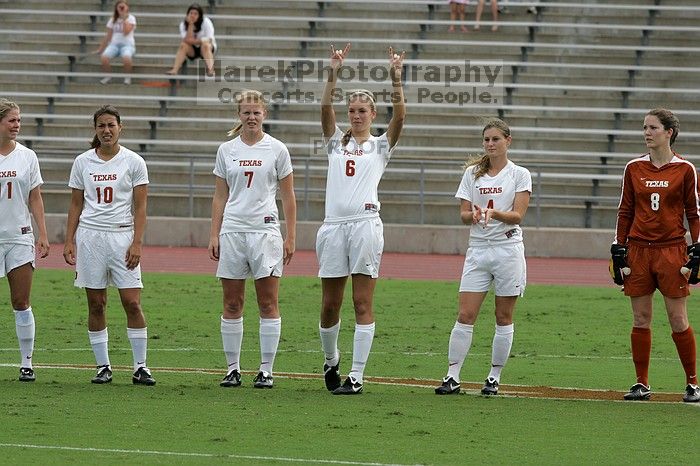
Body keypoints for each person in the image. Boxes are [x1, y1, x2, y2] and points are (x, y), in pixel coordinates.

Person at [317, 43, 406, 395]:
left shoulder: (382, 145)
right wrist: (334, 71)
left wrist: (396, 78)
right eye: (352, 110)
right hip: (333, 228)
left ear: (372, 114)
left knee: (362, 302)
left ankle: (356, 376)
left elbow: (400, 117)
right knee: (329, 305)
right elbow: (325, 107)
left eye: (362, 111)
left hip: (366, 226)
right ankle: (331, 360)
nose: (356, 116)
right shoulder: (334, 143)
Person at [435, 118, 531, 396]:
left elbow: (518, 216)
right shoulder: (472, 174)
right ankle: (452, 375)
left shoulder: (519, 174)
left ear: (507, 141)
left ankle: (494, 377)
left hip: (507, 250)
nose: (490, 144)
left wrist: (494, 213)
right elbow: (464, 215)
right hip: (478, 250)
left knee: (504, 316)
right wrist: (474, 215)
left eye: (495, 139)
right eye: (486, 139)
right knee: (465, 314)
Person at [209, 90, 297, 389]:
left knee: (268, 302)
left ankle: (266, 370)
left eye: (256, 112)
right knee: (232, 303)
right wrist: (214, 233)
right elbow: (220, 195)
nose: (251, 117)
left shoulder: (277, 149)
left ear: (265, 115)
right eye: (246, 112)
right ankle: (232, 369)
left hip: (265, 232)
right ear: (239, 115)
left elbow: (288, 195)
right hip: (233, 231)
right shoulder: (226, 150)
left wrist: (290, 235)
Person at [611, 108, 700, 403]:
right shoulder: (633, 167)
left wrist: (697, 247)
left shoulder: (685, 169)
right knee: (641, 318)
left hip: (672, 251)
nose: (647, 132)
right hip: (638, 251)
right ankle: (641, 383)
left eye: (652, 128)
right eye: (644, 127)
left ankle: (692, 384)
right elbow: (625, 210)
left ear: (668, 132)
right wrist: (618, 246)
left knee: (678, 319)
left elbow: (693, 212)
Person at [63, 105, 155, 386]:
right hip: (91, 237)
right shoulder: (82, 162)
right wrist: (69, 240)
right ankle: (103, 366)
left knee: (132, 302)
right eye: (101, 126)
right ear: (95, 129)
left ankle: (141, 366)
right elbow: (76, 204)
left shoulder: (134, 161)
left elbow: (140, 208)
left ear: (120, 127)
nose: (106, 130)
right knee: (96, 304)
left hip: (122, 237)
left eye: (111, 125)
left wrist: (137, 242)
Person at [0, 98, 50, 382]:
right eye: (12, 120)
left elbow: (35, 197)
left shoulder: (27, 156)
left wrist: (42, 233)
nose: (17, 125)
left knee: (21, 301)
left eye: (19, 120)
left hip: (19, 237)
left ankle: (27, 363)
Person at [166, 3, 217, 77]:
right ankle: (174, 70)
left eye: (195, 14)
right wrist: (190, 24)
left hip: (206, 48)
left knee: (205, 45)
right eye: (191, 13)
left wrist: (195, 41)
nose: (193, 16)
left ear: (199, 15)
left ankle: (211, 70)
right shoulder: (183, 24)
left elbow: (209, 39)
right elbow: (186, 40)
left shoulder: (206, 22)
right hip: (192, 49)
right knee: (183, 45)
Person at [94, 0, 136, 85]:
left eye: (123, 6)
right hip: (114, 45)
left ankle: (127, 77)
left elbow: (126, 32)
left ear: (127, 7)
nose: (121, 8)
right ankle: (108, 76)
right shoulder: (112, 19)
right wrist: (101, 49)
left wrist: (124, 18)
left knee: (126, 57)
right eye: (119, 7)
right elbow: (108, 36)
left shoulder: (131, 18)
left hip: (127, 45)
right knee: (104, 57)